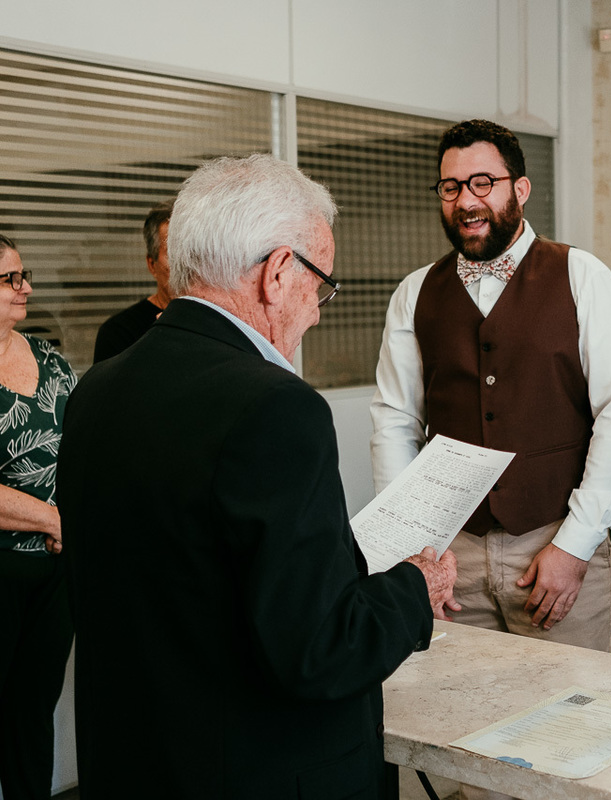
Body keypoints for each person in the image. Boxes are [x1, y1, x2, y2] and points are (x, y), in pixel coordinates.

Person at [57, 154, 458, 800]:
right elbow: (319, 648)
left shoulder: (96, 392)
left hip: (133, 765)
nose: (319, 312)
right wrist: (415, 586)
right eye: (320, 284)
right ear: (277, 272)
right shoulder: (278, 409)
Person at [371, 119, 611, 652]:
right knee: (455, 711)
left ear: (519, 188)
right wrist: (413, 547)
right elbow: (395, 420)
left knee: (570, 718)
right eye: (450, 187)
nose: (465, 200)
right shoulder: (414, 293)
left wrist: (575, 546)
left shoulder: (583, 276)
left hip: (555, 541)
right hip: (451, 551)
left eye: (482, 182)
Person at [0, 234, 76, 800]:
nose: (25, 288)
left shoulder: (49, 358)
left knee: (33, 710)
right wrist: (52, 520)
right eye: (10, 279)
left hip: (55, 573)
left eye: (24, 276)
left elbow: (84, 446)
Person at [93, 199, 174, 361]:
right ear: (152, 264)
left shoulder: (217, 320)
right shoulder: (119, 333)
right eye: (173, 253)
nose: (185, 264)